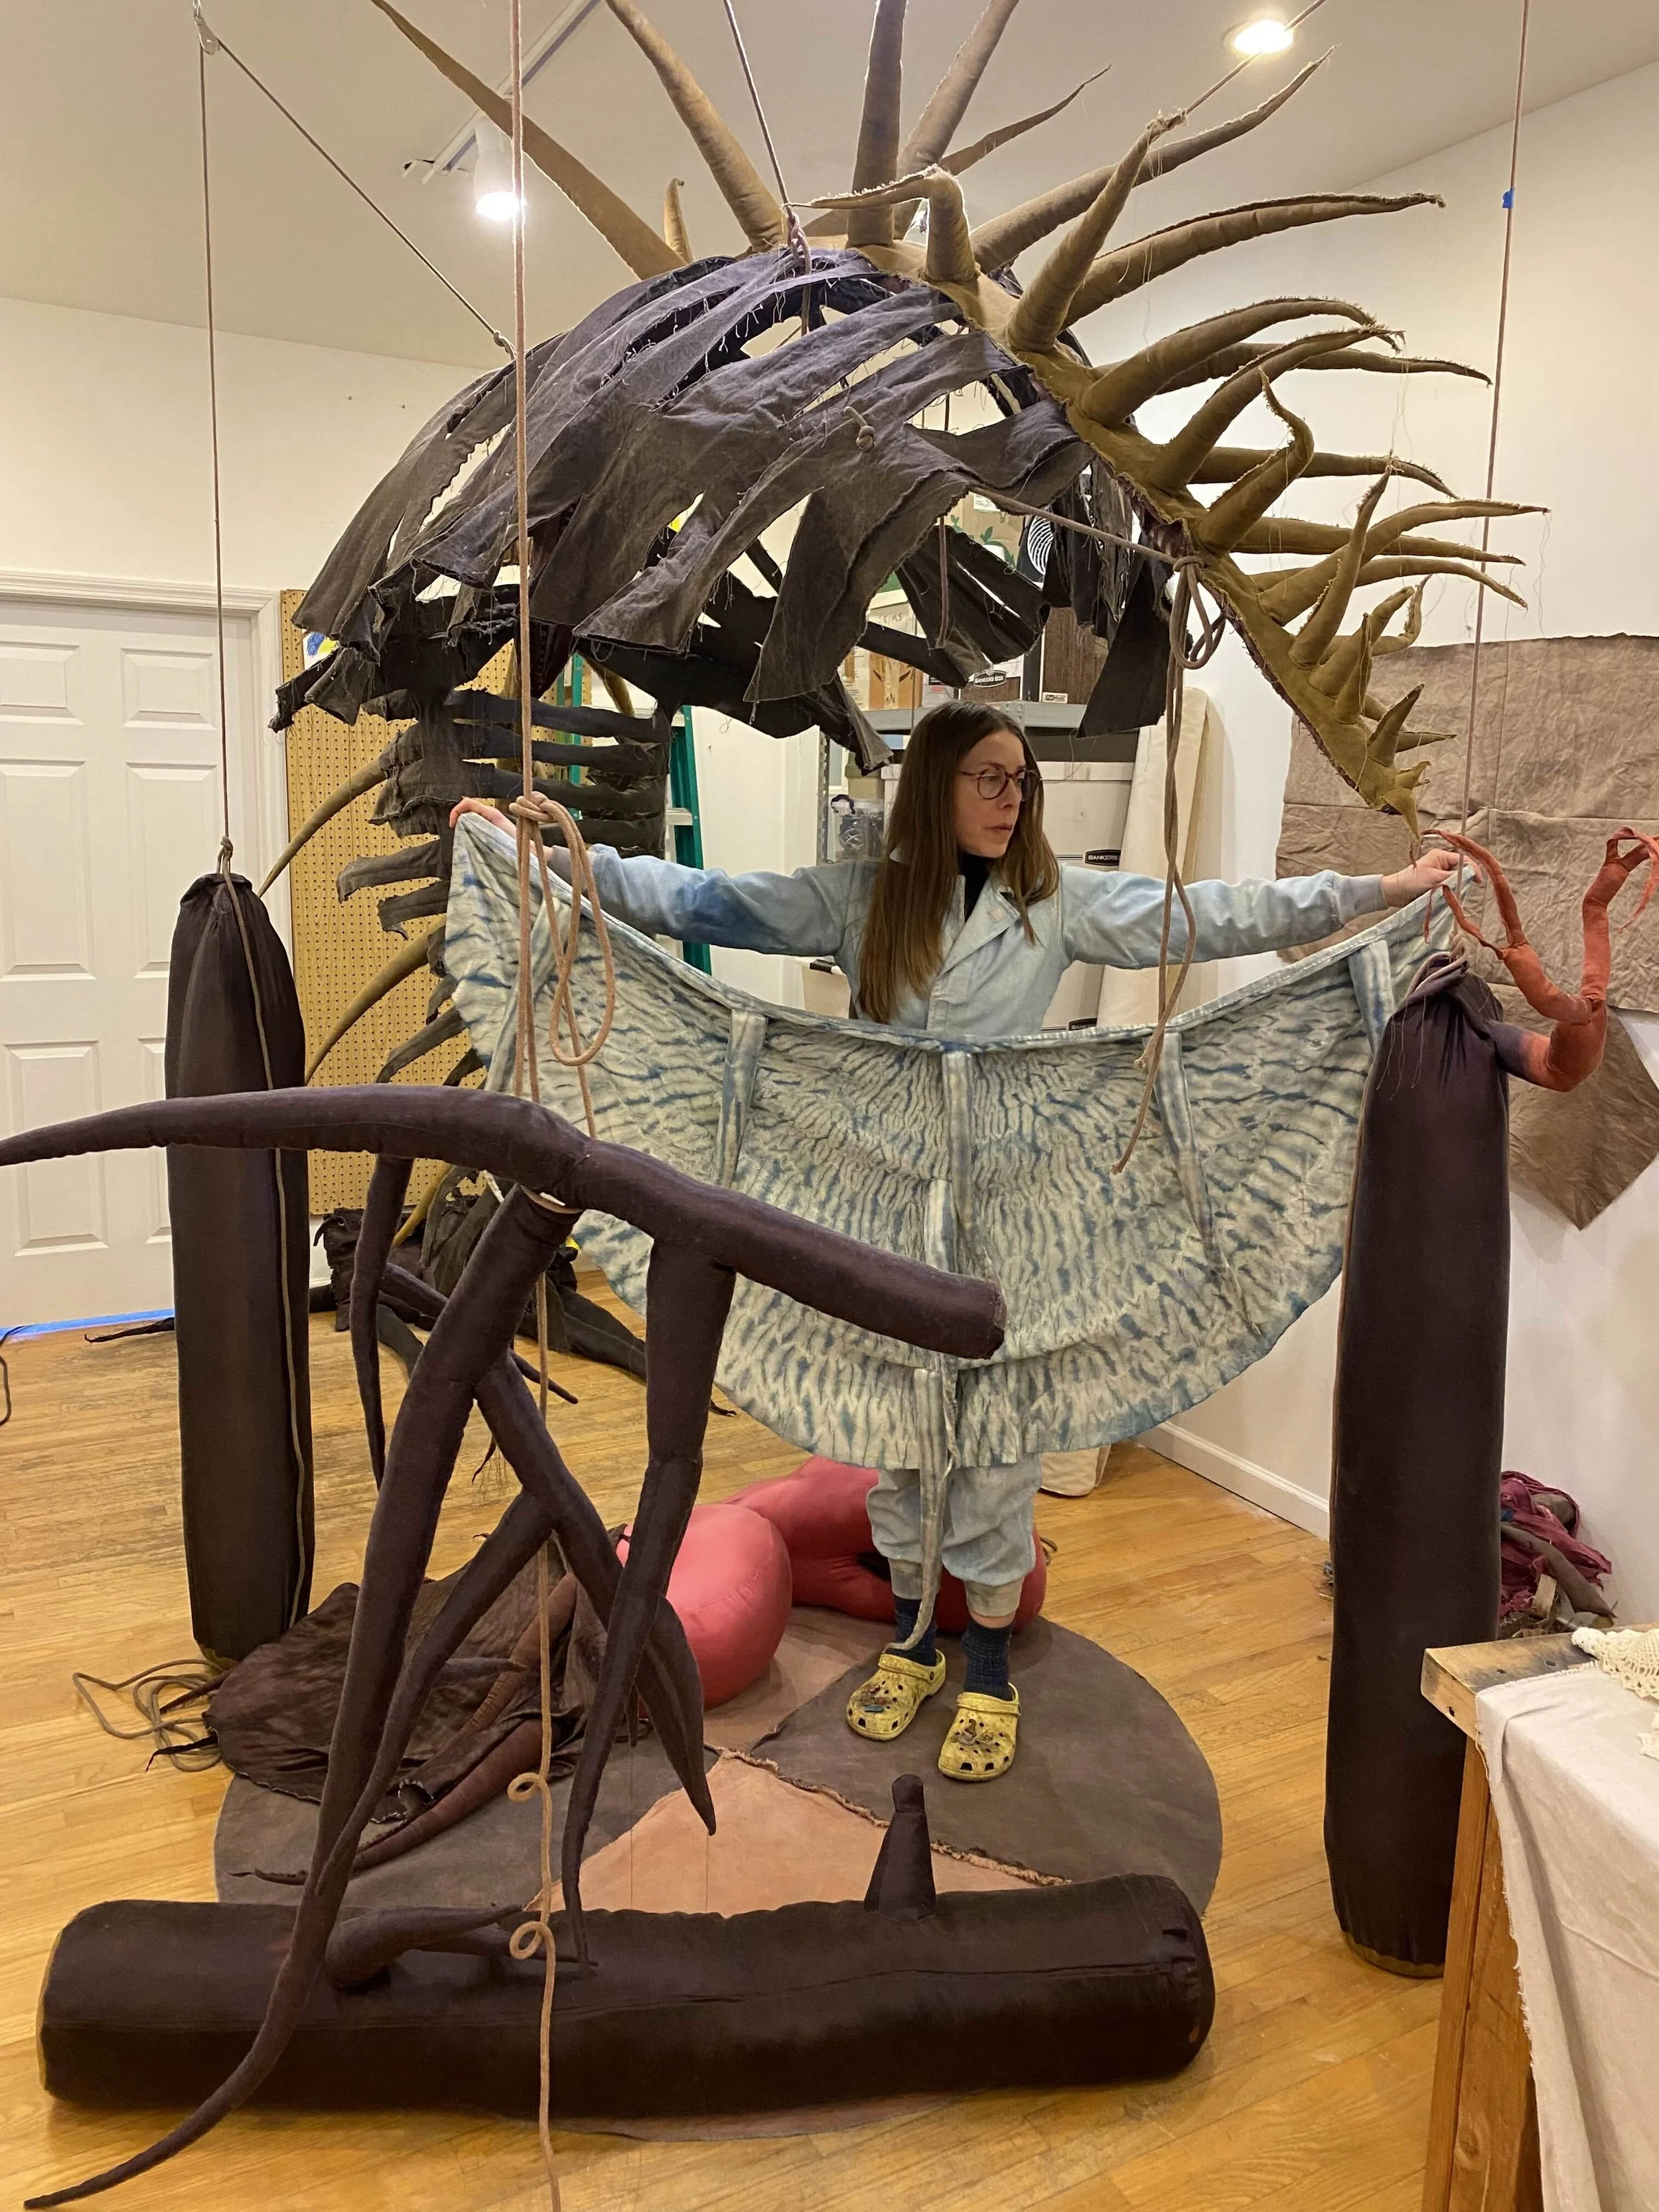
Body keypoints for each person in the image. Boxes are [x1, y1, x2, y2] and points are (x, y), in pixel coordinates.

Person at [453, 700, 1459, 1785]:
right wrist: (544, 864)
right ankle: (912, 1645)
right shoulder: (862, 898)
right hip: (877, 1205)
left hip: (1011, 1212)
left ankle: (987, 1669)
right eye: (989, 777)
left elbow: (1207, 916)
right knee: (898, 1431)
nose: (1010, 797)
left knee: (998, 1437)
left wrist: (1379, 894)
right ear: (937, 786)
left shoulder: (1055, 904)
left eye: (1020, 779)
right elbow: (703, 900)